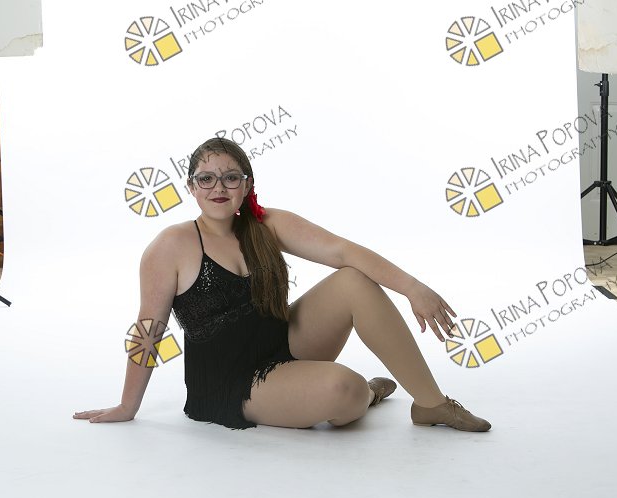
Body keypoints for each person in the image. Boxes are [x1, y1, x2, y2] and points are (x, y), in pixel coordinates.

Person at [74, 137, 491, 432]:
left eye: (231, 177)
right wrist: (127, 405)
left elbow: (343, 251)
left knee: (352, 281)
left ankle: (431, 404)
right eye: (206, 178)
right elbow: (149, 330)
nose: (219, 187)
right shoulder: (171, 245)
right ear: (191, 187)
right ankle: (366, 393)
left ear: (247, 185)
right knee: (344, 388)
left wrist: (413, 288)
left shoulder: (267, 224)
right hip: (233, 382)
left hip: (283, 345)